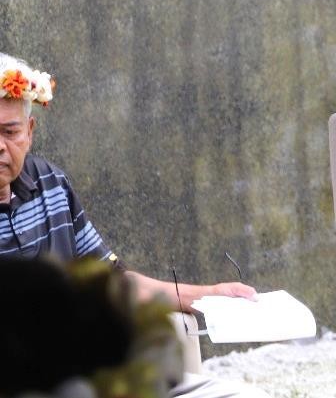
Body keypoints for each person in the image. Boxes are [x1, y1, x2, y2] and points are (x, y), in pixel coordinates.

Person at [0, 53, 270, 398]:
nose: (0, 146)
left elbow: (114, 280)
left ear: (29, 132)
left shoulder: (51, 184)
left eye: (10, 131)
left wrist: (210, 296)